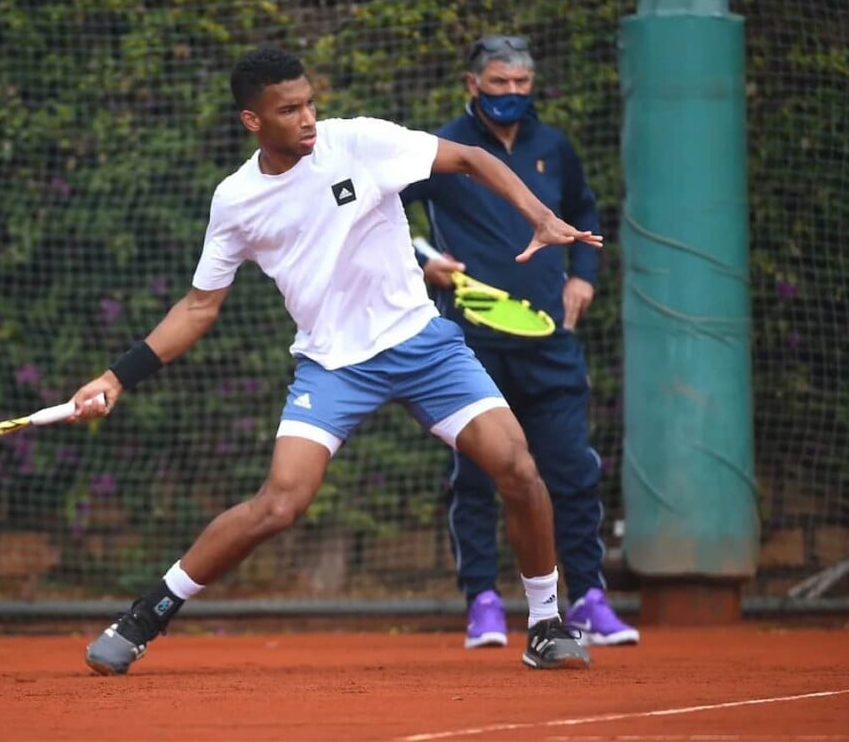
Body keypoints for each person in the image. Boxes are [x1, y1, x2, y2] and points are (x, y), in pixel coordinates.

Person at [69, 46, 602, 676]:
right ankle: (143, 618)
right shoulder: (236, 201)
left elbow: (470, 157)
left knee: (517, 467)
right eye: (288, 109)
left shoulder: (358, 142)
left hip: (423, 346)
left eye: (309, 103)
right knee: (280, 503)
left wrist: (540, 217)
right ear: (252, 121)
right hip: (334, 366)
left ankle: (545, 622)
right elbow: (197, 308)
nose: (307, 119)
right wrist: (115, 376)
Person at [401, 35, 639, 648]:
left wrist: (583, 279)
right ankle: (482, 601)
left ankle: (587, 598)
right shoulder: (441, 148)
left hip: (551, 342)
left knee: (572, 472)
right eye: (499, 83)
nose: (511, 94)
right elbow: (374, 214)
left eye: (521, 84)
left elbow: (585, 209)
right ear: (471, 83)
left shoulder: (553, 147)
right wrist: (417, 264)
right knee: (478, 475)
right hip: (468, 343)